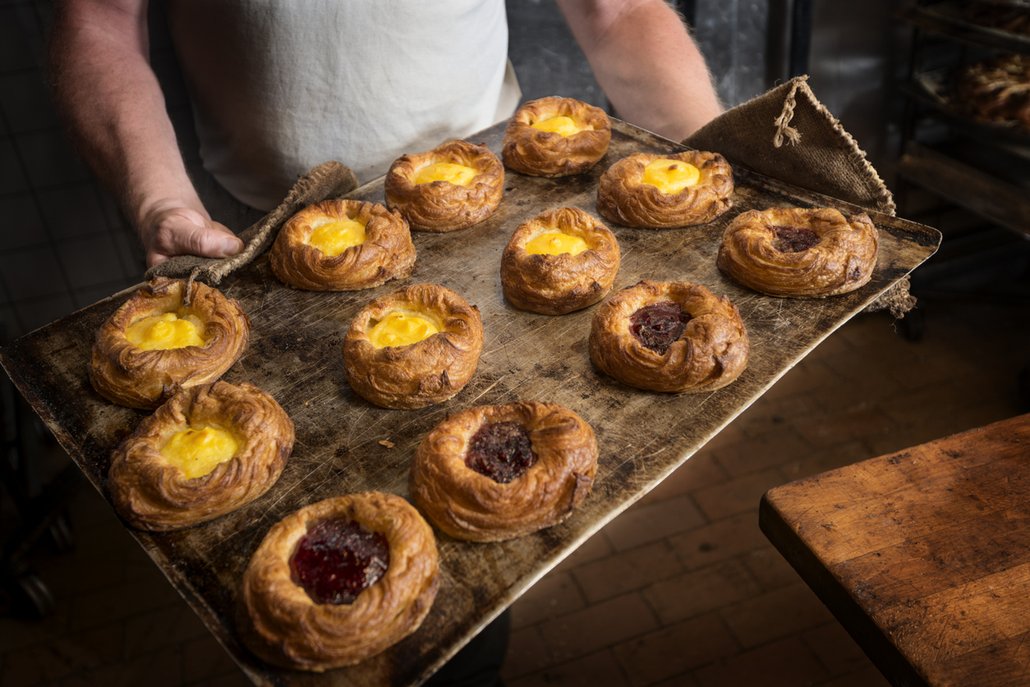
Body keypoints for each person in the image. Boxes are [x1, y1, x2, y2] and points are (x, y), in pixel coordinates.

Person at [49, 0, 723, 270]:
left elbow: (617, 10)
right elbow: (99, 24)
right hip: (253, 233)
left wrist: (715, 154)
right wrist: (160, 201)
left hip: (493, 220)